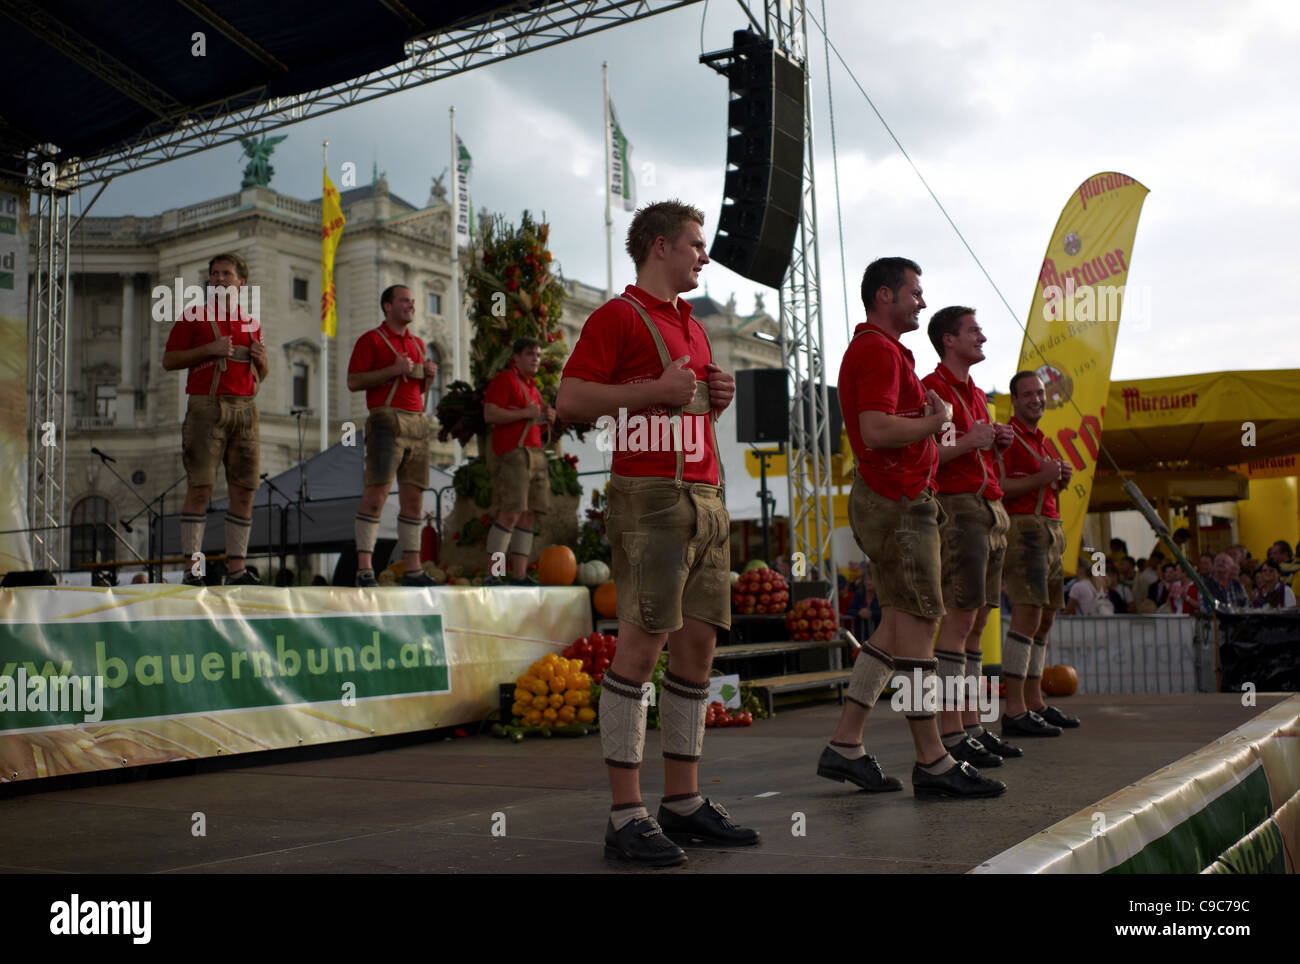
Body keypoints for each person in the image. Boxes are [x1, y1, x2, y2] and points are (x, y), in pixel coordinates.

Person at [556, 200, 757, 865]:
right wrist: (654, 392)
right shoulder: (618, 315)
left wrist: (711, 397)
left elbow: (678, 397)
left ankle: (683, 802)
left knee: (698, 649)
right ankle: (624, 813)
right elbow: (571, 401)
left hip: (704, 498)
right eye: (696, 244)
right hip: (649, 498)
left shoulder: (693, 327)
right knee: (640, 651)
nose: (704, 255)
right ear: (660, 246)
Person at [813, 258, 1005, 801]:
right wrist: (934, 422)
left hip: (897, 498)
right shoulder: (876, 349)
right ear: (884, 295)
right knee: (923, 629)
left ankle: (846, 743)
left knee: (897, 631)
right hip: (898, 501)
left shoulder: (884, 350)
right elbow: (874, 430)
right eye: (915, 293)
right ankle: (933, 758)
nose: (921, 301)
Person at [920, 306, 1020, 768]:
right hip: (960, 509)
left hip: (987, 507)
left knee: (977, 622)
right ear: (948, 340)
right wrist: (973, 440)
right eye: (973, 330)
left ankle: (972, 724)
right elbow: (928, 456)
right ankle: (952, 730)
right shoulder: (934, 390)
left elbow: (965, 450)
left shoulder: (977, 394)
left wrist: (990, 443)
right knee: (960, 621)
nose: (982, 336)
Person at [163, 252, 268, 586]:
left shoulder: (251, 322)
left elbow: (260, 374)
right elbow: (169, 360)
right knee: (200, 487)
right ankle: (193, 569)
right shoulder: (193, 316)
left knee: (245, 490)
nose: (219, 279)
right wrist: (209, 350)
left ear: (241, 282)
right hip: (207, 407)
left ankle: (237, 569)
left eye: (226, 273)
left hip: (245, 408)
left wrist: (262, 361)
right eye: (215, 274)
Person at [995, 371, 1079, 735]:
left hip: (1049, 529)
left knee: (1045, 620)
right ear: (1013, 400)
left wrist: (1060, 478)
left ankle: (1034, 702)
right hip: (1024, 530)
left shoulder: (1043, 440)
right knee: (1027, 618)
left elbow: (1043, 483)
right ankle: (1014, 709)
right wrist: (1043, 478)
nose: (1036, 399)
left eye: (1040, 393)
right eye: (1027, 394)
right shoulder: (1007, 438)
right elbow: (998, 486)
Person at [347, 284, 439, 588]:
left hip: (418, 423)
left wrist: (428, 380)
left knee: (414, 500)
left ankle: (412, 569)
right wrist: (393, 369)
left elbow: (416, 390)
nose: (411, 305)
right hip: (386, 421)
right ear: (387, 306)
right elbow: (353, 381)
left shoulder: (417, 343)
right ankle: (364, 568)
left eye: (412, 301)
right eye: (404, 301)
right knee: (376, 496)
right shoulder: (371, 340)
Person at [482, 338, 555, 586]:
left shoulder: (533, 387)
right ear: (516, 358)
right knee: (510, 513)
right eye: (530, 354)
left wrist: (546, 418)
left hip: (534, 454)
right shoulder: (506, 380)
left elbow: (530, 422)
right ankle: (494, 574)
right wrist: (525, 413)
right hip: (514, 454)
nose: (536, 358)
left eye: (537, 354)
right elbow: (489, 413)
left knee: (529, 514)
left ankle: (519, 575)